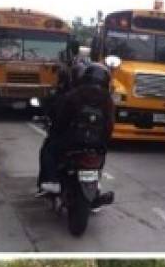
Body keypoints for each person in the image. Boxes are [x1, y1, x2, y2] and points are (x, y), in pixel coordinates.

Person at [37, 62, 114, 195]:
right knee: (101, 154)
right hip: (97, 143)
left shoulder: (74, 95)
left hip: (72, 140)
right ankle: (96, 183)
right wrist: (103, 141)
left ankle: (52, 181)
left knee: (48, 149)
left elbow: (62, 119)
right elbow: (110, 125)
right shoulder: (108, 100)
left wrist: (57, 131)